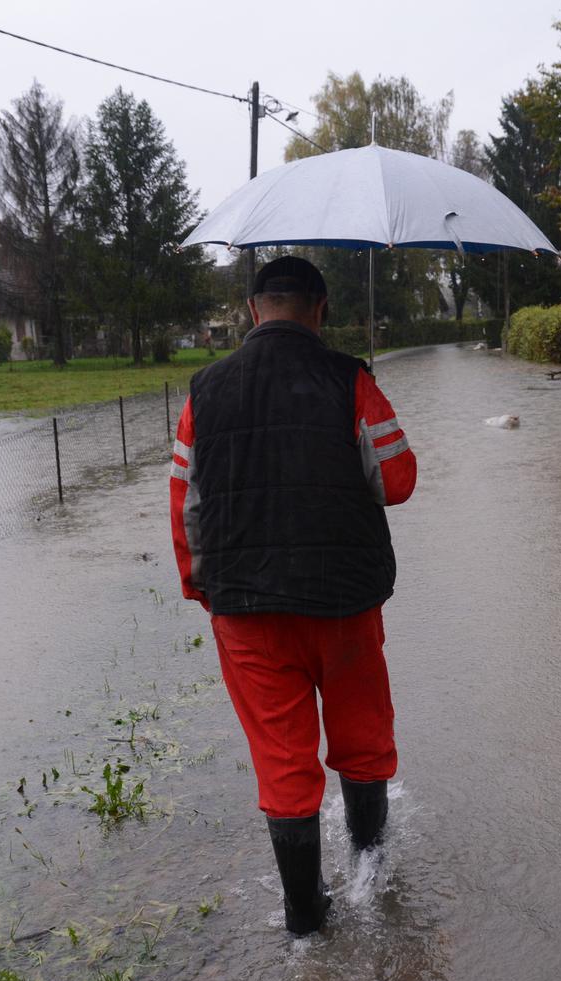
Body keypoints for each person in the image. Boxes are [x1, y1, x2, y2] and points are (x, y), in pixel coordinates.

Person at [169, 255, 416, 935]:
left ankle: (305, 920)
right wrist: (364, 398)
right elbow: (397, 481)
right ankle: (371, 876)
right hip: (345, 604)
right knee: (363, 740)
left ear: (254, 310)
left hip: (248, 613)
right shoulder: (349, 379)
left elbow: (186, 506)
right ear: (321, 310)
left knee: (283, 760)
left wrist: (203, 587)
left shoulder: (204, 392)